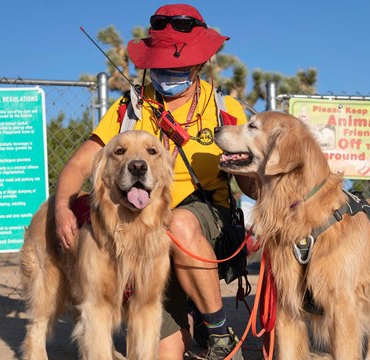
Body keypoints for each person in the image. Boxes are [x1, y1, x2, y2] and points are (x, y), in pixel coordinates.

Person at [54, 4, 256, 360]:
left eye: (178, 66)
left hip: (205, 219)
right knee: (163, 354)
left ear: (198, 64)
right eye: (160, 66)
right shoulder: (129, 109)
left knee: (177, 223)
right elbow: (79, 164)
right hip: (143, 236)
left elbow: (253, 189)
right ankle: (188, 316)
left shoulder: (226, 110)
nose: (168, 73)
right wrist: (61, 207)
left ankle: (219, 333)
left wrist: (250, 173)